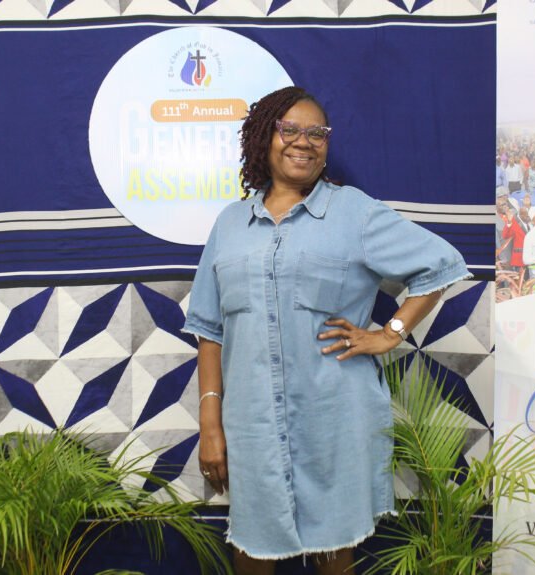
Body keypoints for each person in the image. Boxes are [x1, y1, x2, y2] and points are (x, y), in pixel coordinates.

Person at [183, 87, 469, 574]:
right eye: (289, 129)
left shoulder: (353, 213)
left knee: (334, 554)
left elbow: (441, 265)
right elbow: (210, 329)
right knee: (253, 549)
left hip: (333, 420)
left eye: (317, 133)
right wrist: (211, 423)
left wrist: (390, 332)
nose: (304, 141)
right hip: (252, 426)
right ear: (264, 136)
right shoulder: (230, 225)